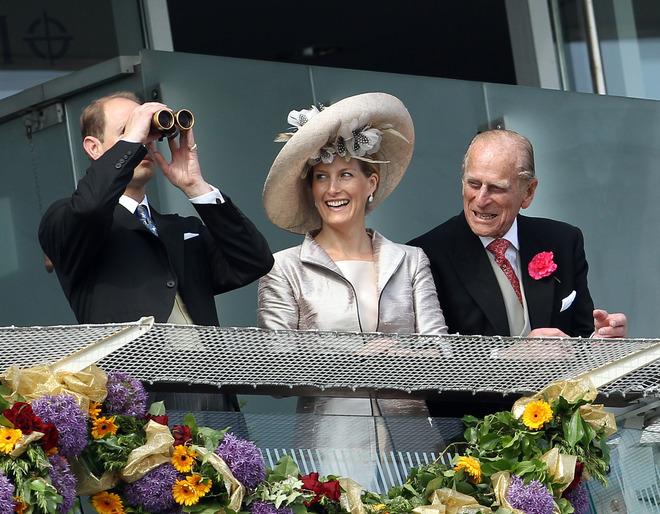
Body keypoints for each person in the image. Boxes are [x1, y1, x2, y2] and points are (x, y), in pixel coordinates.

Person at [257, 92, 448, 488]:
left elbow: (441, 357)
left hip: (414, 451)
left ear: (370, 182)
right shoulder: (284, 268)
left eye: (345, 174)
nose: (332, 189)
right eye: (321, 177)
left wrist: (395, 354)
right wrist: (358, 357)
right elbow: (276, 373)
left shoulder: (411, 260)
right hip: (330, 455)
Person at [39, 91, 274, 326]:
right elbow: (90, 208)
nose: (145, 143)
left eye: (148, 133)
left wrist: (196, 187)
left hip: (204, 362)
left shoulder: (181, 228)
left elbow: (254, 261)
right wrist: (131, 142)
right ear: (94, 148)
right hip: (131, 363)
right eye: (128, 131)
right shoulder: (63, 219)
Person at [408, 128, 627, 339]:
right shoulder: (424, 256)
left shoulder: (563, 241)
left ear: (528, 192)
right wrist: (511, 357)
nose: (481, 199)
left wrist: (599, 339)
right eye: (474, 184)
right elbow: (435, 358)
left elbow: (581, 333)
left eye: (496, 188)